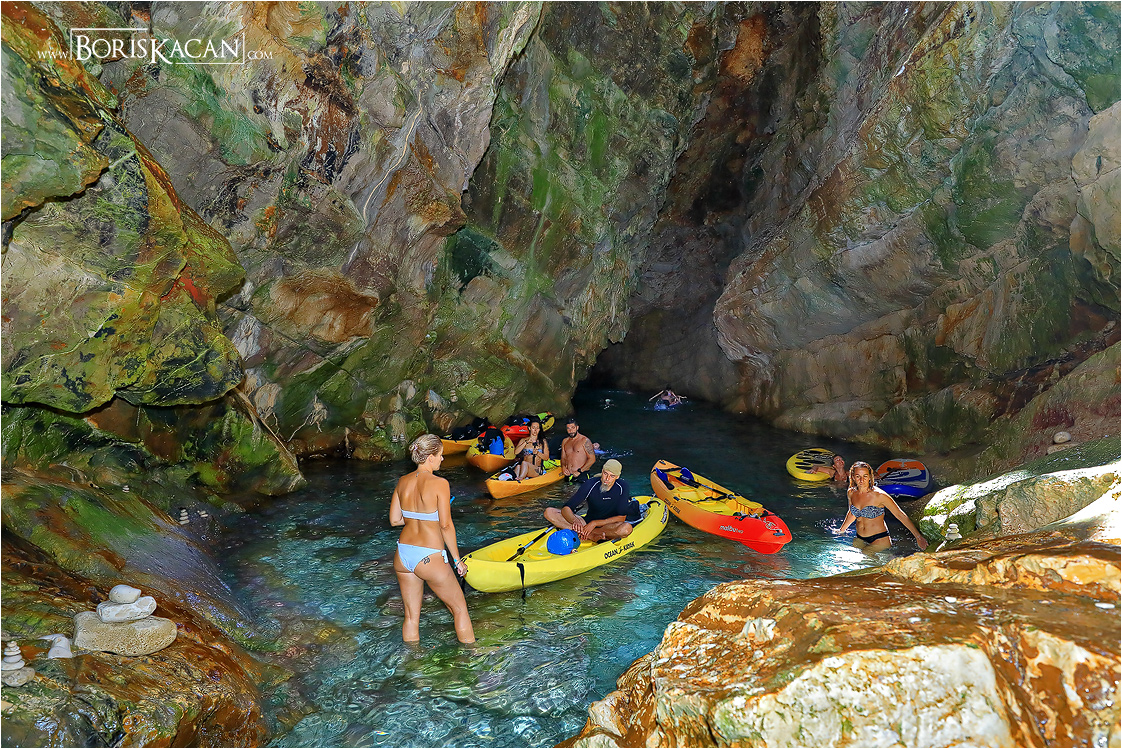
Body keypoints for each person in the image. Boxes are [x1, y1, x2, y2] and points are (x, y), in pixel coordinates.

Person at [390, 434, 475, 644]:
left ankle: (413, 660)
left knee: (411, 617)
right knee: (459, 609)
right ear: (430, 457)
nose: (442, 459)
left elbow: (395, 520)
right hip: (429, 556)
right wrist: (457, 561)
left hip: (403, 554)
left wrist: (422, 517)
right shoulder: (440, 483)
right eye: (440, 455)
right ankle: (473, 658)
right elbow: (446, 525)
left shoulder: (402, 481)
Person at [833, 461, 928, 552]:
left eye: (865, 476)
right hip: (860, 537)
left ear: (870, 477)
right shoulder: (851, 492)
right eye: (858, 476)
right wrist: (841, 530)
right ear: (853, 477)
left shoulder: (880, 495)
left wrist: (918, 537)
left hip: (880, 538)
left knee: (867, 553)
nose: (862, 480)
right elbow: (852, 513)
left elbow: (900, 514)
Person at [544, 459, 639, 542]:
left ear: (617, 477)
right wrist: (575, 521)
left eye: (612, 476)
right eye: (605, 474)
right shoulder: (591, 484)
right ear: (602, 471)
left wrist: (595, 523)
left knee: (626, 529)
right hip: (586, 523)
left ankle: (589, 533)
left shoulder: (622, 487)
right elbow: (567, 508)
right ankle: (591, 535)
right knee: (549, 512)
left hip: (609, 526)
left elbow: (621, 518)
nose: (607, 479)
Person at [559, 417, 596, 481]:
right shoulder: (565, 441)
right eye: (568, 428)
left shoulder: (585, 440)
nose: (571, 431)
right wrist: (563, 467)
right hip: (568, 475)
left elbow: (592, 459)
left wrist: (580, 471)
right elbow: (563, 458)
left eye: (573, 428)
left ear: (577, 427)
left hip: (581, 474)